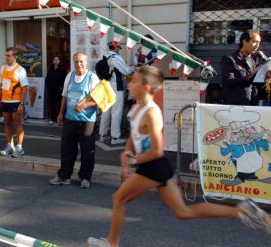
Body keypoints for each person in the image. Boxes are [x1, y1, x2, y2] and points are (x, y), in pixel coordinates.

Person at [87, 66, 271, 247]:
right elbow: (134, 136)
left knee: (118, 199)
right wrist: (127, 154)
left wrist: (133, 160)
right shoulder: (136, 109)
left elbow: (157, 150)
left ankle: (112, 242)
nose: (129, 85)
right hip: (157, 167)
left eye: (133, 81)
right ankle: (240, 211)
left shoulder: (151, 113)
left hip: (152, 167)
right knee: (183, 212)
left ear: (146, 88)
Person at [49, 52, 100, 188]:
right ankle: (64, 176)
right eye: (76, 62)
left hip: (87, 121)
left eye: (81, 61)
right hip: (70, 119)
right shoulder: (69, 76)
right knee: (66, 150)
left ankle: (85, 178)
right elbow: (65, 96)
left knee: (87, 151)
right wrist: (61, 113)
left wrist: (83, 105)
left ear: (86, 62)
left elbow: (98, 99)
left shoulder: (92, 78)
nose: (79, 64)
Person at [0, 47, 29, 158]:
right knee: (7, 123)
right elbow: (0, 85)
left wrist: (21, 104)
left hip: (16, 102)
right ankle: (10, 146)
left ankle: (20, 148)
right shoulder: (2, 68)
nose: (6, 57)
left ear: (15, 57)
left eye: (9, 55)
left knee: (17, 124)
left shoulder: (20, 70)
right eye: (5, 55)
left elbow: (25, 88)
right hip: (5, 101)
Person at [99, 43, 134, 145]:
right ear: (115, 48)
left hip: (106, 85)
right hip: (116, 86)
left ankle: (103, 135)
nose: (119, 49)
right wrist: (132, 67)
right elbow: (126, 71)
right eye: (118, 47)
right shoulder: (117, 57)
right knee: (116, 112)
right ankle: (115, 137)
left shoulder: (104, 56)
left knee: (106, 111)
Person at [221, 30, 261, 105]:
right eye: (254, 41)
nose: (257, 45)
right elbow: (228, 82)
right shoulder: (230, 59)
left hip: (252, 105)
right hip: (235, 105)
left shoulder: (255, 60)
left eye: (259, 43)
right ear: (244, 41)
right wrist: (249, 78)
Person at [45, 56, 67, 125]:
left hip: (59, 89)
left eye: (57, 59)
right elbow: (47, 78)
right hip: (51, 89)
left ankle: (60, 118)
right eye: (54, 59)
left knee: (60, 104)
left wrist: (62, 87)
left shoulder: (63, 68)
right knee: (52, 104)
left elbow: (65, 79)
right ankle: (53, 118)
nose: (56, 61)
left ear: (59, 60)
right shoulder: (51, 68)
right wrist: (48, 85)